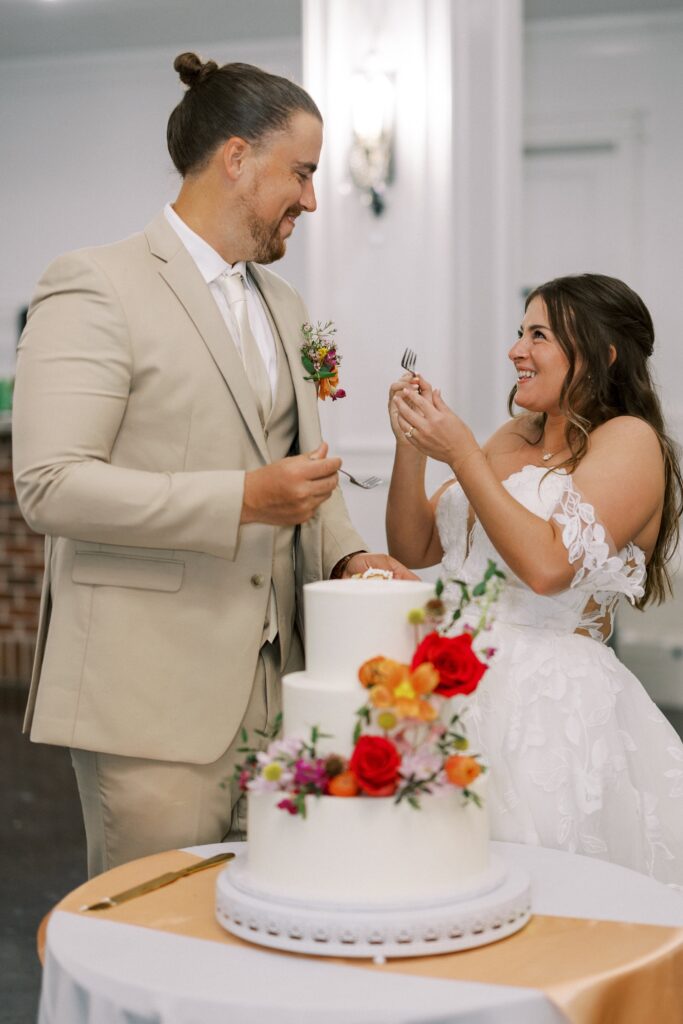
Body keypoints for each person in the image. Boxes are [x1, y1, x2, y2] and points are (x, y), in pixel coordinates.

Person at [12, 53, 412, 877]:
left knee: (265, 927)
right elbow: (51, 485)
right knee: (155, 937)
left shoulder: (286, 305)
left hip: (279, 691)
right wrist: (239, 498)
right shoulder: (96, 285)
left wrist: (349, 553)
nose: (309, 198)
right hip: (151, 695)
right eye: (299, 173)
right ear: (236, 158)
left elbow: (297, 463)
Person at [386, 273, 683, 885]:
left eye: (538, 335)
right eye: (520, 333)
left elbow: (549, 568)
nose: (516, 351)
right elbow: (413, 544)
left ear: (601, 354)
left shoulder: (629, 441)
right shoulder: (513, 438)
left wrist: (464, 452)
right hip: (447, 686)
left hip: (549, 715)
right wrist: (412, 443)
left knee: (537, 887)